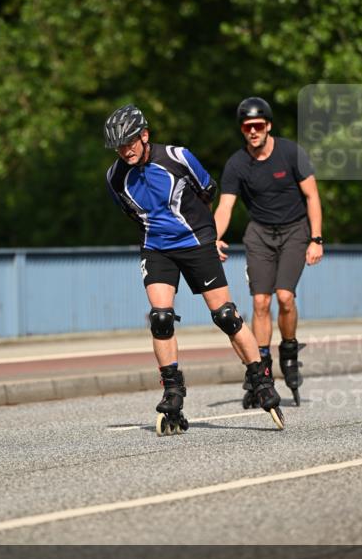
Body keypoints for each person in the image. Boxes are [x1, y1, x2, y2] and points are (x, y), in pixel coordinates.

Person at [104, 103, 285, 433]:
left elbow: (207, 192)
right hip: (157, 247)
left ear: (145, 135)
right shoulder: (115, 177)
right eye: (119, 146)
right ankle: (173, 391)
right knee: (160, 318)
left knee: (226, 316)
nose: (125, 150)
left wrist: (210, 237)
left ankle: (260, 379)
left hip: (197, 242)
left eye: (130, 141)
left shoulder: (178, 157)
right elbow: (133, 213)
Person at [213, 97, 324, 406]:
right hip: (259, 234)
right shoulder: (237, 164)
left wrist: (316, 239)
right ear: (242, 130)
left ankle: (288, 348)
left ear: (268, 126)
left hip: (295, 230)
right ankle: (261, 367)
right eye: (247, 127)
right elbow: (226, 206)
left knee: (285, 297)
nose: (253, 131)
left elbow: (312, 197)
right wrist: (212, 238)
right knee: (260, 302)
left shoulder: (291, 153)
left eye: (258, 126)